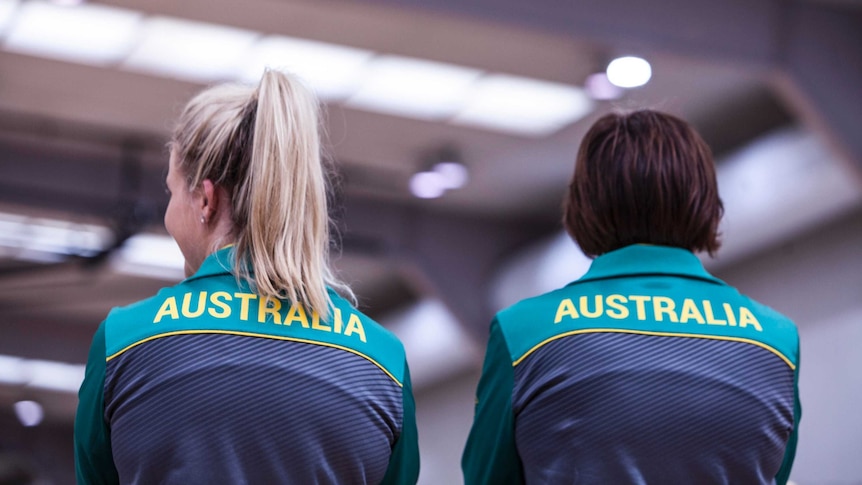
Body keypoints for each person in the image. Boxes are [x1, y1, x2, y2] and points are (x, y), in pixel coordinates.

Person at [75, 69, 419, 484]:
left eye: (171, 192)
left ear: (205, 198)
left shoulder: (124, 343)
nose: (168, 214)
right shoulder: (381, 363)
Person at [462, 109, 800, 484]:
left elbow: (486, 477)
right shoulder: (775, 341)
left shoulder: (525, 334)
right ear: (704, 201)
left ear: (584, 205)